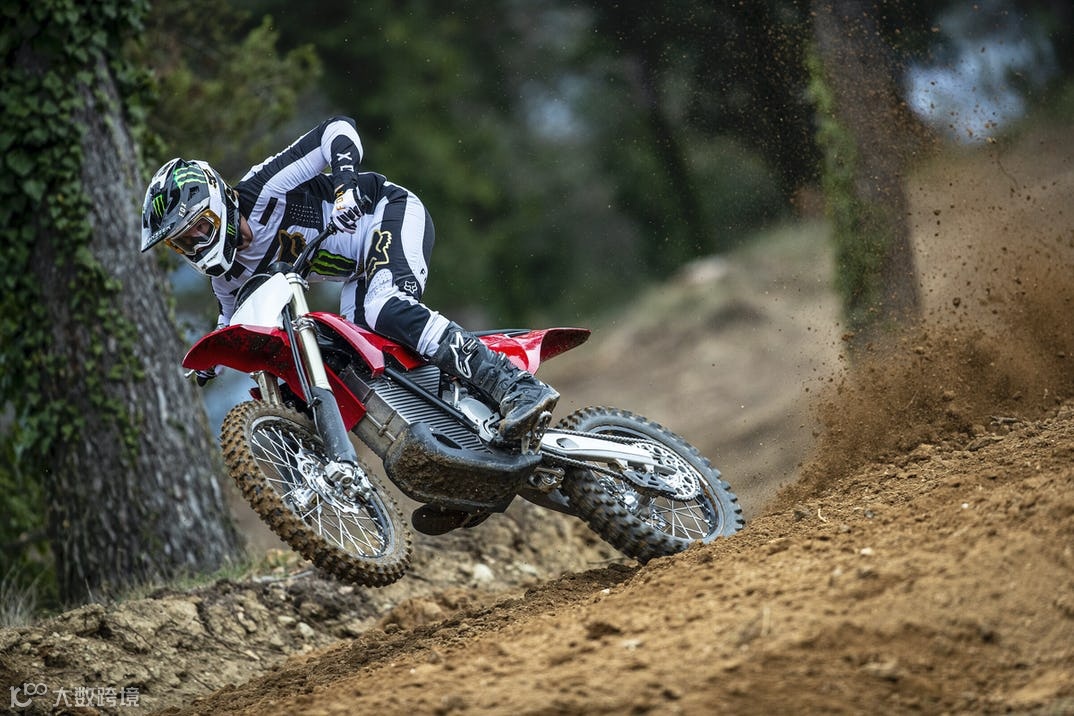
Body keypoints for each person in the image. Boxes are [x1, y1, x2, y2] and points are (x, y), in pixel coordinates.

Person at [140, 115, 557, 441]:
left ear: (218, 200)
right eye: (184, 241)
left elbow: (336, 130)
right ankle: (456, 434)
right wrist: (209, 364)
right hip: (358, 270)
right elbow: (231, 320)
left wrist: (345, 188)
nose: (197, 242)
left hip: (387, 211)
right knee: (358, 357)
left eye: (200, 227)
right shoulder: (228, 276)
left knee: (384, 307)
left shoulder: (263, 188)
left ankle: (513, 384)